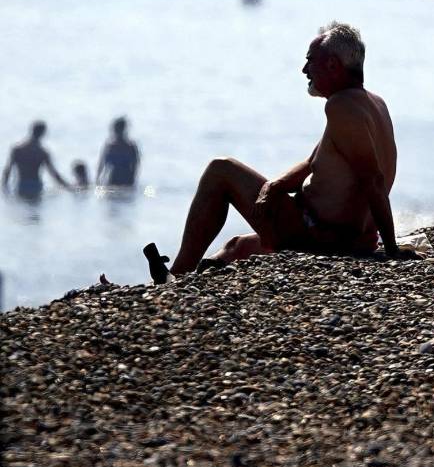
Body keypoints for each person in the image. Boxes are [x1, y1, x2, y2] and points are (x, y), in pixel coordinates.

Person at [142, 22, 416, 283]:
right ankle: (189, 280)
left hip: (321, 236)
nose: (304, 69)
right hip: (346, 237)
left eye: (310, 60)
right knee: (237, 246)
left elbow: (373, 180)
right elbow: (313, 163)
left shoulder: (341, 107)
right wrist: (273, 187)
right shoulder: (372, 103)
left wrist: (391, 248)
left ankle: (176, 276)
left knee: (220, 170)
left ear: (333, 65)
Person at [1, 121, 72, 199]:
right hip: (36, 187)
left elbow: (7, 170)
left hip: (21, 186)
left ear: (31, 130)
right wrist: (69, 187)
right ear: (43, 133)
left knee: (21, 205)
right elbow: (54, 174)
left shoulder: (17, 149)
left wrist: (4, 188)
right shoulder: (42, 152)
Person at [96, 117, 140, 187]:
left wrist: (133, 178)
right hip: (113, 179)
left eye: (119, 130)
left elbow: (136, 164)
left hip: (126, 179)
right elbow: (101, 164)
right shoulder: (109, 146)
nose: (117, 132)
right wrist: (98, 179)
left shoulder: (130, 147)